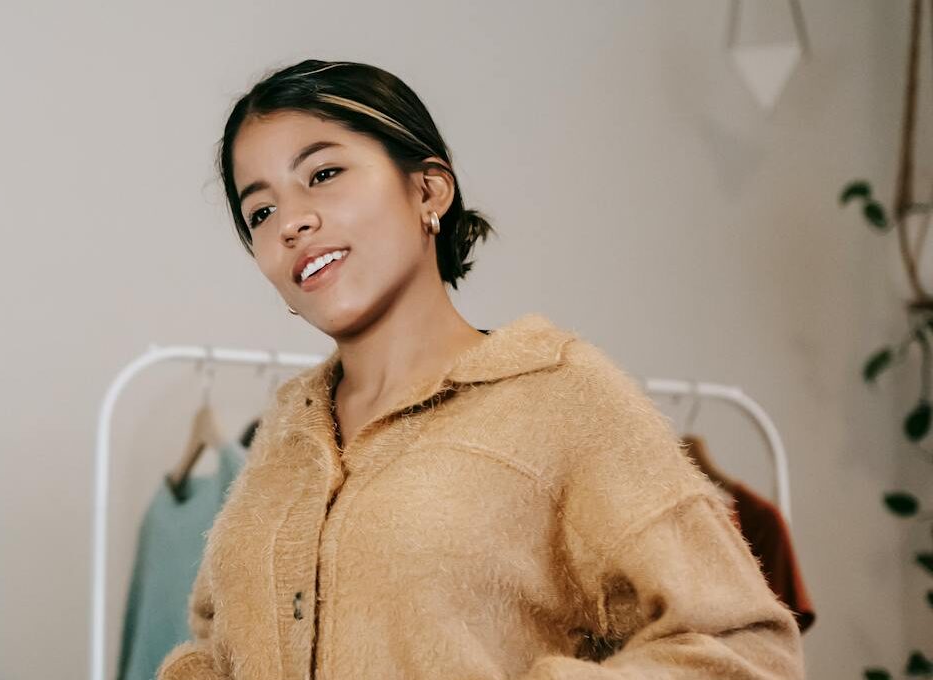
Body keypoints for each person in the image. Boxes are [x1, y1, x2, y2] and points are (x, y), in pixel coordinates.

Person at [156, 60, 803, 679]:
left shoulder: (560, 397)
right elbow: (216, 649)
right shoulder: (282, 436)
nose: (292, 222)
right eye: (260, 213)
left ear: (428, 189)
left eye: (322, 174)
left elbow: (744, 650)